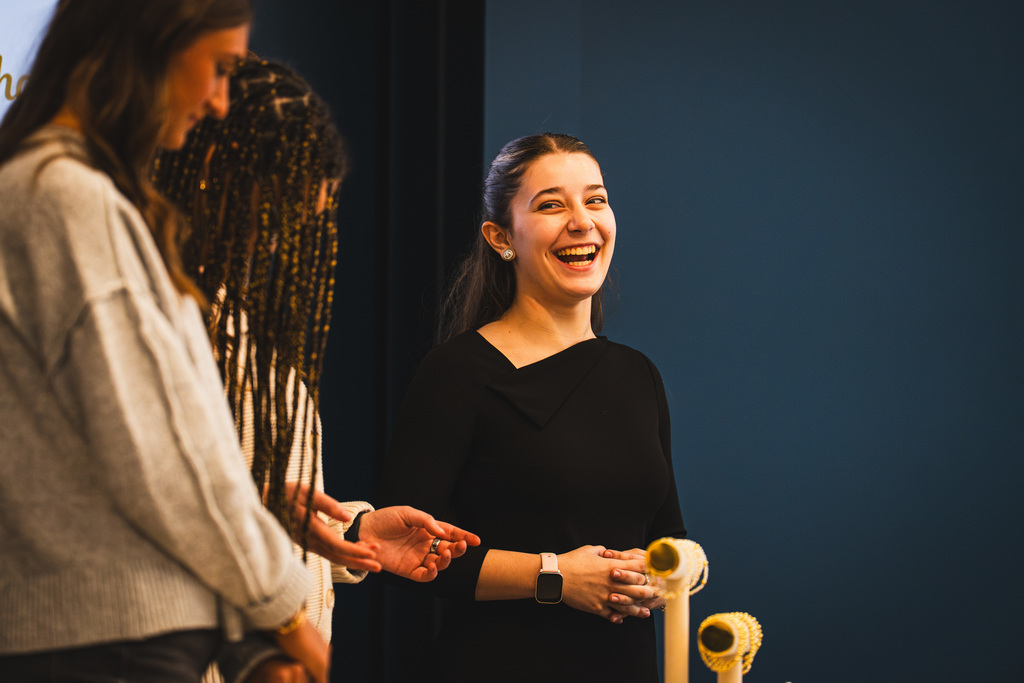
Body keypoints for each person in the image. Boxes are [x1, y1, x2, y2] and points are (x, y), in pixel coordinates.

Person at [0, 2, 328, 681]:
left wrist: (244, 638)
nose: (216, 100)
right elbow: (161, 458)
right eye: (216, 69)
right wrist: (286, 613)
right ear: (148, 48)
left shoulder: (59, 195)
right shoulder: (65, 199)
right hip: (116, 645)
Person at [153, 56, 481, 681]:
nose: (277, 244)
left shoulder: (229, 319)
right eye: (277, 214)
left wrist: (354, 530)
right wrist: (274, 634)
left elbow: (248, 503)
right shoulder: (151, 320)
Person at [379, 133, 688, 681]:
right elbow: (403, 556)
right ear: (501, 237)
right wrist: (555, 578)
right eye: (551, 205)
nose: (582, 221)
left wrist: (662, 576)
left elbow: (670, 541)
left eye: (595, 199)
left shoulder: (639, 375)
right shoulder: (456, 372)